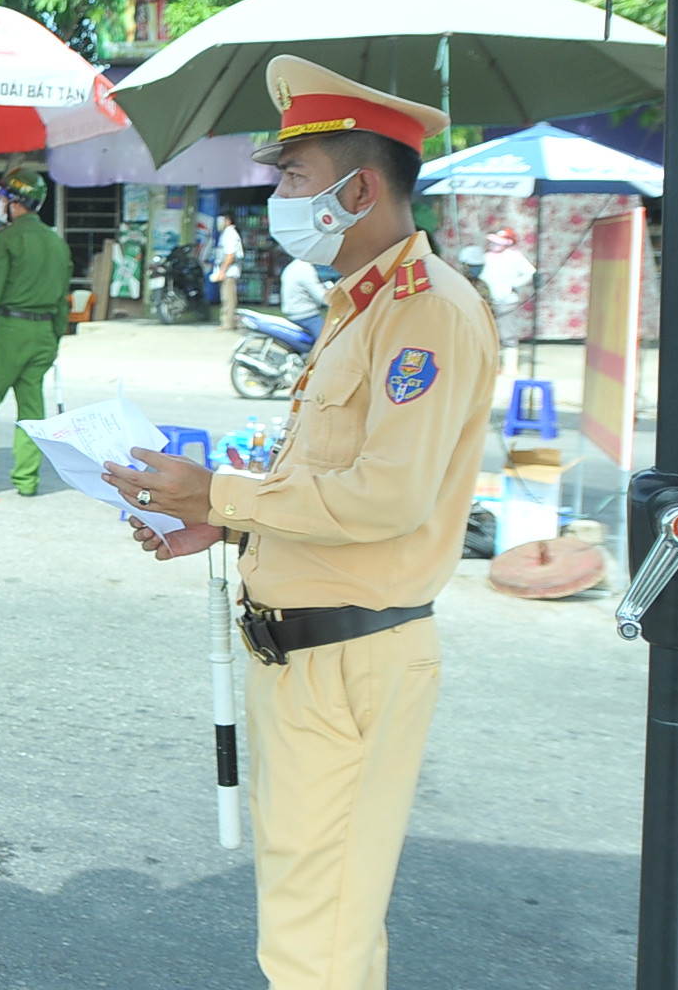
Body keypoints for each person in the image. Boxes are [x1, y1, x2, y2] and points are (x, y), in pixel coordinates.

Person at [101, 55, 496, 990]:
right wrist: (229, 530)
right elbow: (331, 488)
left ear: (360, 189)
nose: (278, 194)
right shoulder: (358, 308)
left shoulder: (425, 313)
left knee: (316, 943)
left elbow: (388, 498)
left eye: (293, 177)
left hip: (351, 659)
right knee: (316, 926)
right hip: (306, 658)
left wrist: (221, 496)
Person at [0, 167, 72, 497]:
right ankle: (27, 481)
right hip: (43, 335)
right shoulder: (57, 243)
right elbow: (63, 301)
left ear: (15, 201)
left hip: (7, 329)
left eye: (6, 197)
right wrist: (55, 339)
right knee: (32, 412)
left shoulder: (7, 239)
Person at [279, 255, 329, 340]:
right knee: (326, 341)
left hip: (293, 313)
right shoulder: (305, 269)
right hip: (306, 316)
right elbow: (321, 297)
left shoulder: (294, 266)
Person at [212, 212, 245, 329]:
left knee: (228, 298)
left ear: (228, 221)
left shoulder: (230, 234)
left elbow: (230, 255)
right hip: (226, 271)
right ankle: (226, 322)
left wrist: (222, 271)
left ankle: (228, 324)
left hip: (229, 272)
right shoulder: (226, 233)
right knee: (225, 297)